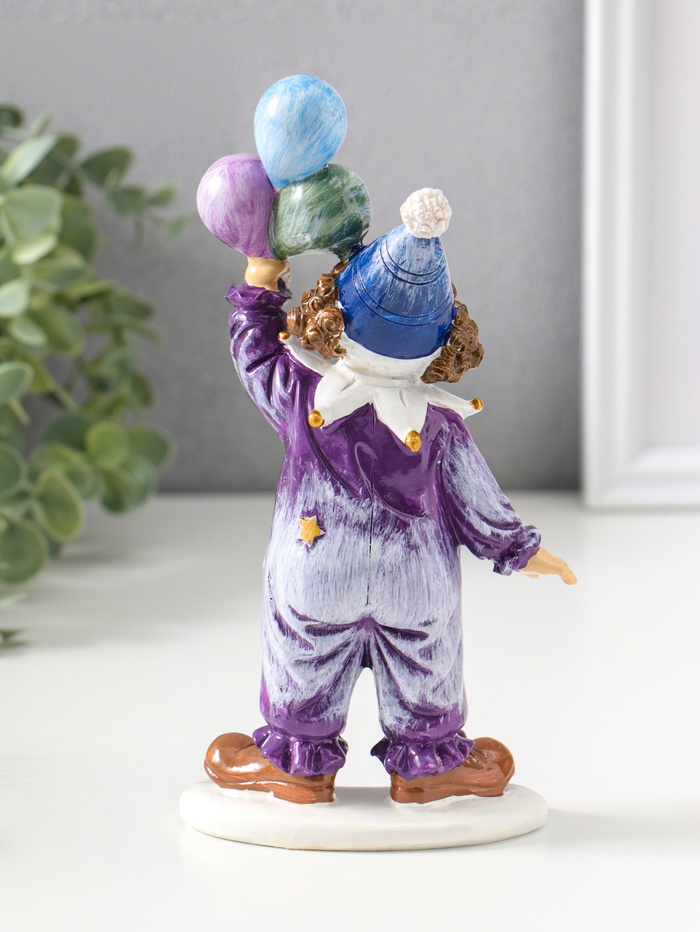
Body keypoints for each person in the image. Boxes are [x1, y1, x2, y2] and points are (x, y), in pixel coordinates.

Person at [205, 189, 576, 805]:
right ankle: (428, 763)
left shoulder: (303, 395)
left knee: (305, 654)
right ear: (442, 340)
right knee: (424, 661)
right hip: (416, 576)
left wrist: (261, 282)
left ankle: (298, 763)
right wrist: (520, 550)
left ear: (335, 317)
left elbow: (256, 355)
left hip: (316, 565)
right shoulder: (439, 425)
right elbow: (477, 500)